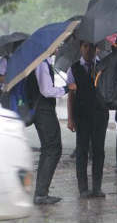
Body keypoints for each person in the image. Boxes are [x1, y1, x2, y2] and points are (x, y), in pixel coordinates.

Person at [66, 41, 109, 198]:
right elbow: (71, 96)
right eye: (85, 46)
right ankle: (83, 188)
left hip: (100, 114)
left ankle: (97, 188)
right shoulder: (74, 68)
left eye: (91, 47)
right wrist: (70, 119)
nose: (88, 50)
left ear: (97, 49)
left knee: (99, 151)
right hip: (82, 116)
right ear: (80, 48)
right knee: (82, 151)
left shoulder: (103, 68)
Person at [32, 56, 76, 204]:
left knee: (49, 148)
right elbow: (46, 90)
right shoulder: (41, 63)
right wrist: (66, 88)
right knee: (52, 148)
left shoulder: (43, 62)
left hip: (43, 109)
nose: (58, 48)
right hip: (43, 110)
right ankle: (41, 193)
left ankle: (41, 192)